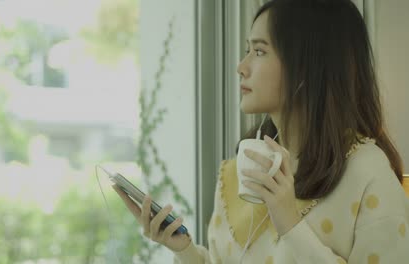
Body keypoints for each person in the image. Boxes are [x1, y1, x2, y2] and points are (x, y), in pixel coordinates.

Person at [113, 0, 409, 263]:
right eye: (247, 50)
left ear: (306, 65)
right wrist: (183, 250)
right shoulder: (239, 168)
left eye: (259, 51)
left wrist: (290, 224)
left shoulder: (365, 170)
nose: (241, 67)